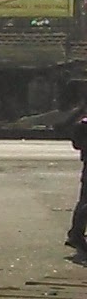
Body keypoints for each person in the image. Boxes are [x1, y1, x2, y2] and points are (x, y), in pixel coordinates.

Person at [60, 99, 87, 250]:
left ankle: (76, 233)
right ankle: (76, 233)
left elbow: (77, 144)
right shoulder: (83, 125)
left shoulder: (82, 125)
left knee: (84, 200)